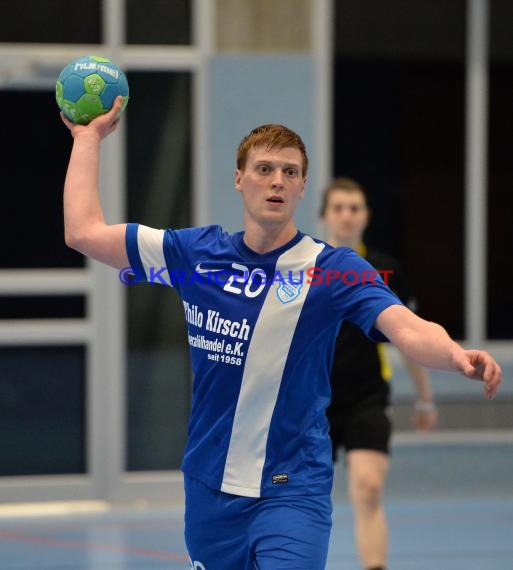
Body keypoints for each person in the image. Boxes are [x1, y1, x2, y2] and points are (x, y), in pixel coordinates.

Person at [61, 97, 501, 570]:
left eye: (290, 172)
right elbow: (83, 232)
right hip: (210, 489)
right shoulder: (195, 254)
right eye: (265, 168)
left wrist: (455, 354)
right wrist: (87, 139)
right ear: (239, 179)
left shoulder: (333, 270)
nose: (277, 181)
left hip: (293, 490)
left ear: (302, 186)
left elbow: (406, 327)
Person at [321, 177, 437, 570]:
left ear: (366, 216)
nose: (347, 215)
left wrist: (424, 398)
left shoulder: (386, 271)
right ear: (324, 216)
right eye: (339, 207)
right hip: (312, 400)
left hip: (366, 398)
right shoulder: (303, 268)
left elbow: (412, 340)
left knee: (368, 489)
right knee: (300, 496)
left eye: (354, 208)